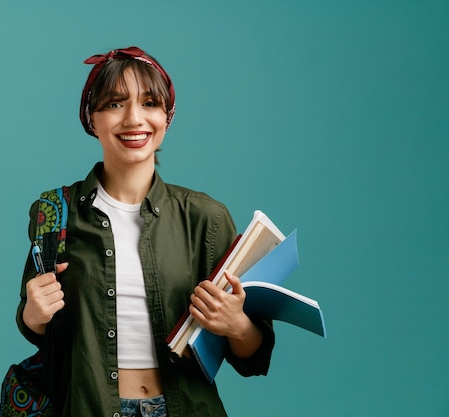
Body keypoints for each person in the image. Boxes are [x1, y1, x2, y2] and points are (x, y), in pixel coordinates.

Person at [16, 46, 275, 417]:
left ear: (167, 117)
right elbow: (36, 327)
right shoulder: (55, 212)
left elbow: (252, 356)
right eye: (115, 104)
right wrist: (33, 314)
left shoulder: (207, 219)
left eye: (150, 103)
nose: (134, 119)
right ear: (92, 118)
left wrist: (237, 324)